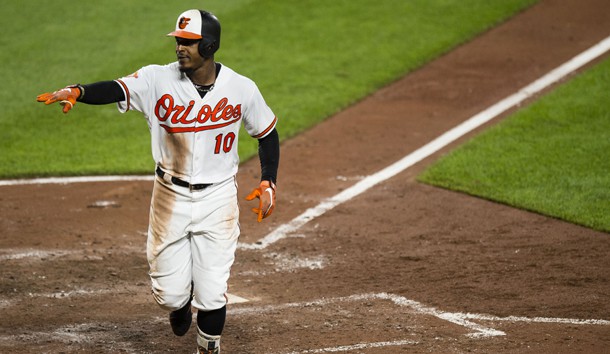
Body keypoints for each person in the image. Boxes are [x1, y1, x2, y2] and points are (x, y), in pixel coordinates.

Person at [37, 9, 279, 354]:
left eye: (189, 42)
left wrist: (269, 181)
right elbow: (115, 89)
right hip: (169, 198)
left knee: (212, 293)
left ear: (209, 45)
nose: (180, 47)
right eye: (178, 41)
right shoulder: (156, 80)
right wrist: (78, 90)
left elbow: (267, 133)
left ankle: (208, 346)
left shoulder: (242, 88)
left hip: (218, 199)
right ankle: (181, 303)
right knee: (169, 295)